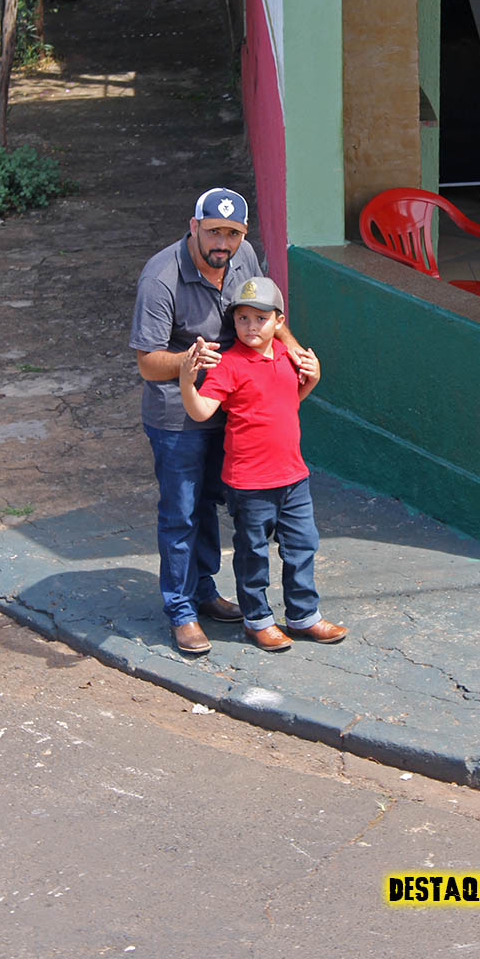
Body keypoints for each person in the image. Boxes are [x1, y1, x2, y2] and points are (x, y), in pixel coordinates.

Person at [130, 188, 303, 656]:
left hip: (232, 407)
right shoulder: (161, 278)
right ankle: (181, 610)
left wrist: (293, 348)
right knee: (181, 512)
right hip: (177, 415)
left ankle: (204, 591)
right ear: (194, 227)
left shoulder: (242, 256)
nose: (223, 243)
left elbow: (265, 311)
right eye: (213, 232)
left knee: (209, 503)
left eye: (233, 233)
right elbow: (147, 363)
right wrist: (189, 362)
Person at [179, 276, 347, 652]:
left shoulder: (287, 356)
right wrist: (187, 383)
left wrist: (314, 379)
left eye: (261, 318)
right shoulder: (228, 365)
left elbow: (289, 400)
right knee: (252, 553)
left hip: (293, 477)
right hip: (249, 482)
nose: (251, 327)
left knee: (302, 546)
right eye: (243, 319)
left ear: (279, 321)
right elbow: (201, 410)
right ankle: (257, 620)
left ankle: (304, 616)